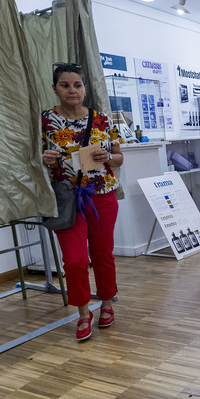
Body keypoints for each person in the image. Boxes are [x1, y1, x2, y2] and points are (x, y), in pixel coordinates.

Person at [41, 63, 123, 342]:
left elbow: (119, 156)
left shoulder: (102, 119)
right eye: (65, 85)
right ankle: (83, 313)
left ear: (85, 88)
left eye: (77, 85)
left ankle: (108, 303)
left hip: (102, 196)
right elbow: (31, 157)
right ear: (55, 89)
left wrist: (108, 158)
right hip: (66, 199)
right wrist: (43, 159)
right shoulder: (45, 121)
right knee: (75, 261)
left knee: (103, 255)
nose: (72, 90)